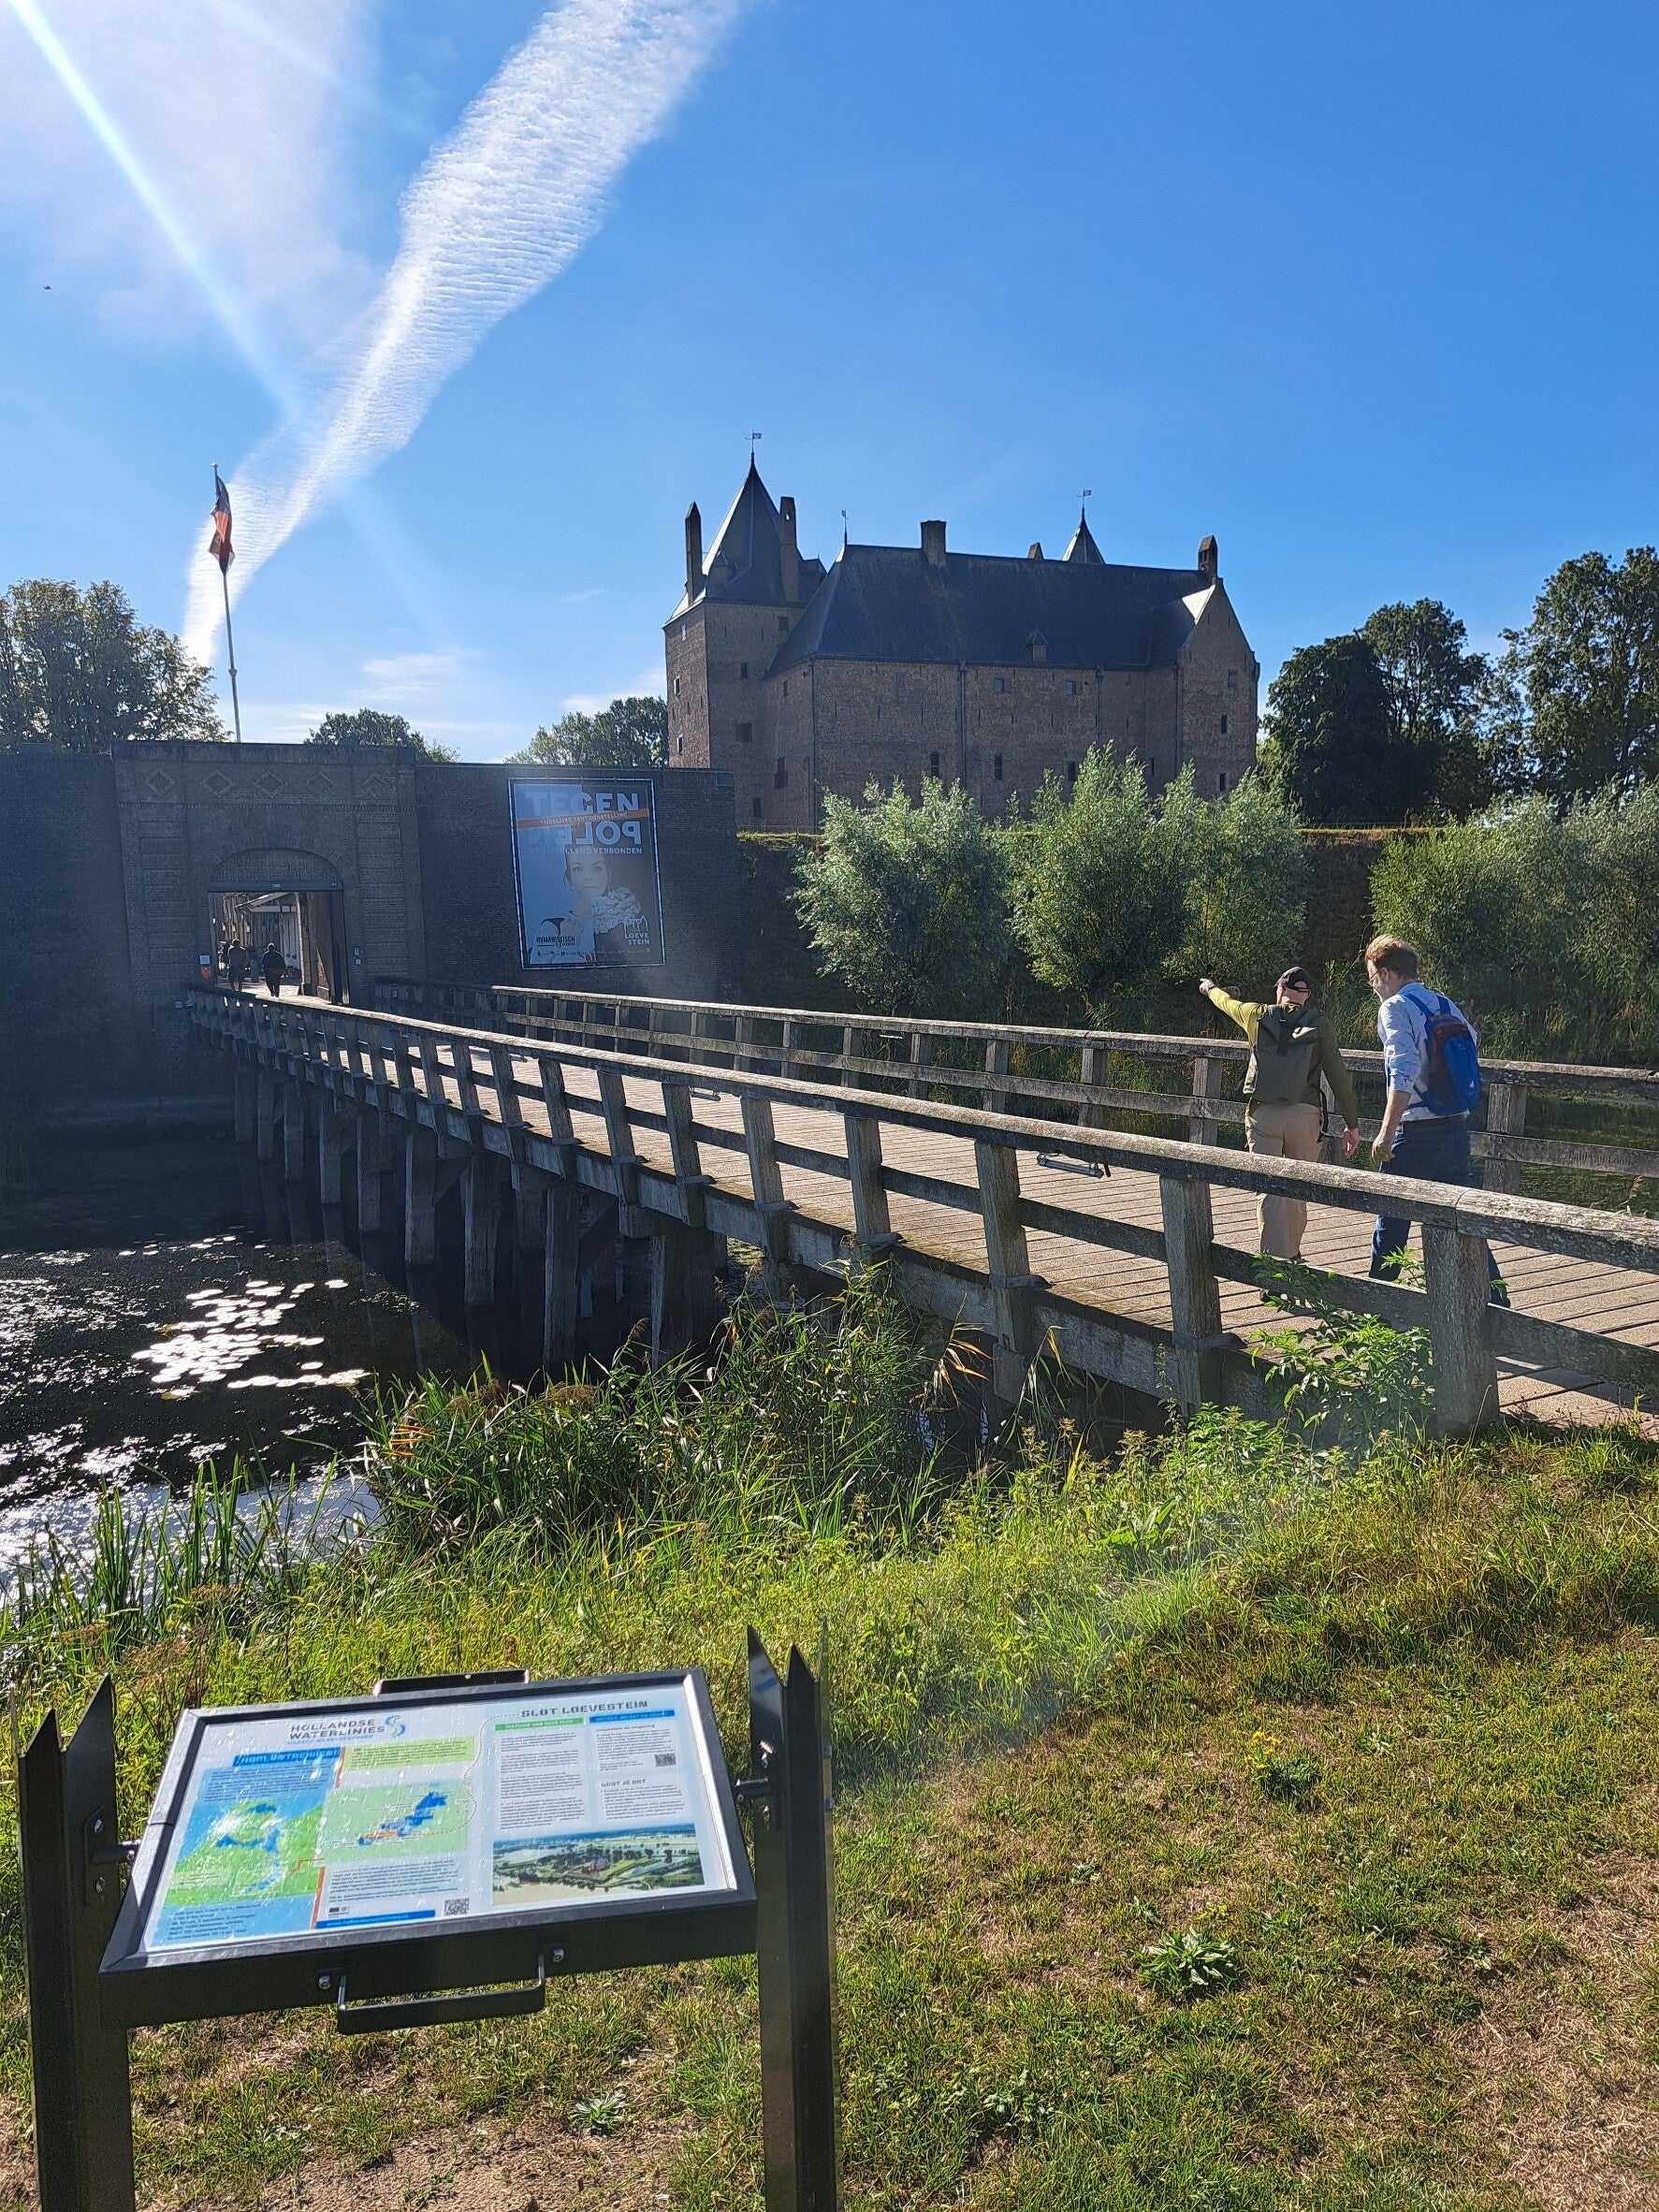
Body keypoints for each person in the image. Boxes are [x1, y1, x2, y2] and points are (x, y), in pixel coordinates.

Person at [1363, 934, 1507, 1303]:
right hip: (1455, 1129)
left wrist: (1386, 1132)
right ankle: (1498, 1304)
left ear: (1387, 973)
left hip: (1415, 1133)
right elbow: (1470, 1045)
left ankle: (1378, 1310)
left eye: (1372, 976)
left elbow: (1403, 1069)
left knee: (1392, 1222)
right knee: (1464, 1224)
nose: (1373, 985)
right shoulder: (1445, 1004)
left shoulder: (1394, 1007)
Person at [1198, 967, 1361, 1260]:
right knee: (1298, 1188)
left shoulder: (1255, 1014)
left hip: (1263, 1115)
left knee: (1269, 1188)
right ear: (1305, 995)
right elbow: (1337, 1074)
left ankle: (1273, 1261)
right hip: (1305, 1116)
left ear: (1280, 989)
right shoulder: (1319, 1023)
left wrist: (1209, 988)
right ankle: (1292, 1256)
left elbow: (1226, 1002)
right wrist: (1352, 1124)